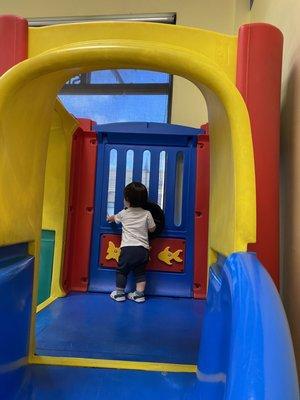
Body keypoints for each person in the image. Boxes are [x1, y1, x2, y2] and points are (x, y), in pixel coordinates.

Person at [107, 182, 156, 303]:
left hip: (127, 249)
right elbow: (152, 229)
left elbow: (114, 218)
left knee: (122, 271)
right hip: (142, 250)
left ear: (127, 200)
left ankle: (119, 293)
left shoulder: (124, 213)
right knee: (140, 273)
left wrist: (109, 218)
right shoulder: (147, 214)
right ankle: (139, 295)